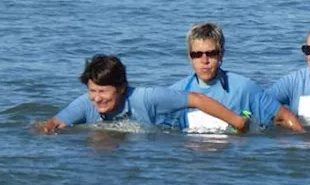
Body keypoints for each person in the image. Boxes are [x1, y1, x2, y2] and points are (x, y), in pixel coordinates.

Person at [36, 54, 248, 133]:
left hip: (179, 127)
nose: (97, 98)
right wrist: (46, 129)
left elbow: (196, 98)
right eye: (92, 91)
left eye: (103, 91)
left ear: (120, 88)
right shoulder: (85, 104)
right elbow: (53, 123)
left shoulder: (146, 98)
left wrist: (237, 122)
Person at [171, 22, 303, 132]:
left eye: (211, 53)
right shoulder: (176, 94)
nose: (204, 60)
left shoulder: (244, 88)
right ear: (189, 56)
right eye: (197, 54)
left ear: (221, 54)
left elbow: (284, 116)